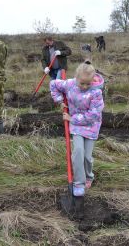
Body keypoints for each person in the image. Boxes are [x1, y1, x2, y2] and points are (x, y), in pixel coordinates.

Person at [49, 60, 104, 197]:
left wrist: (71, 118)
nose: (85, 86)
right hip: (76, 127)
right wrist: (60, 101)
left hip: (91, 126)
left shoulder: (96, 92)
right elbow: (53, 84)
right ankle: (79, 183)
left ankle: (89, 177)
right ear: (76, 78)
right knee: (78, 151)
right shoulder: (70, 84)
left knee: (87, 157)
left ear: (93, 80)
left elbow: (93, 115)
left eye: (88, 83)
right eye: (82, 83)